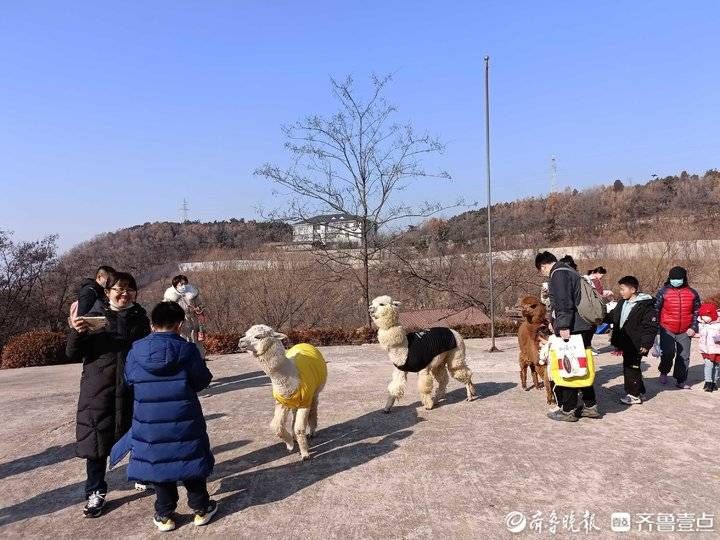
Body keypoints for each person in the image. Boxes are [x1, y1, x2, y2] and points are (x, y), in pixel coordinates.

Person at [110, 301, 217, 532]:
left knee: (160, 464)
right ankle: (201, 509)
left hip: (148, 422)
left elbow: (129, 380)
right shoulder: (186, 350)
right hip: (184, 419)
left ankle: (165, 515)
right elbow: (202, 380)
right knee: (190, 459)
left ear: (151, 324)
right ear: (179, 325)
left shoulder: (135, 350)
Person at [66, 272, 150, 518]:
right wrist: (76, 331)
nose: (124, 294)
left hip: (131, 387)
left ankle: (142, 474)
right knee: (96, 442)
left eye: (130, 290)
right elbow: (72, 353)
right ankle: (95, 491)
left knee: (139, 433)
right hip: (98, 390)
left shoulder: (141, 318)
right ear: (107, 292)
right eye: (119, 290)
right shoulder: (92, 316)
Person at [535, 251, 600, 422]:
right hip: (582, 325)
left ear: (543, 265)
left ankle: (569, 410)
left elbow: (563, 302)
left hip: (572, 327)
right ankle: (590, 405)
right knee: (582, 365)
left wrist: (562, 325)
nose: (543, 274)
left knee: (568, 366)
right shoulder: (570, 271)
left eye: (541, 271)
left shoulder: (558, 273)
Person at [606, 276, 658, 405]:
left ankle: (634, 395)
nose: (621, 292)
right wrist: (598, 318)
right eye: (620, 289)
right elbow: (613, 316)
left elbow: (650, 327)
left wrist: (646, 344)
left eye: (623, 289)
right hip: (626, 342)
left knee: (631, 368)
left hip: (637, 343)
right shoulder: (622, 303)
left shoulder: (645, 306)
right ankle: (640, 391)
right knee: (630, 367)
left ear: (633, 289)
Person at [655, 266, 700, 389]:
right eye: (673, 278)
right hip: (667, 328)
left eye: (678, 278)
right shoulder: (663, 292)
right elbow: (655, 309)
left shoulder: (692, 293)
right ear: (669, 278)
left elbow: (697, 311)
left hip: (686, 330)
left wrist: (694, 327)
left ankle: (681, 380)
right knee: (668, 353)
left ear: (683, 278)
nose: (676, 281)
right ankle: (664, 371)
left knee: (684, 356)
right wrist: (656, 326)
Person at [163, 275, 206, 358]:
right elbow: (165, 311)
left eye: (185, 283)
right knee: (181, 342)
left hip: (193, 322)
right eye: (181, 284)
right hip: (179, 324)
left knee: (195, 342)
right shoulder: (170, 297)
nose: (183, 286)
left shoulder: (193, 293)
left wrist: (198, 308)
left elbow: (202, 305)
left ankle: (199, 360)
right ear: (175, 285)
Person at [695, 303, 720, 392]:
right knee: (708, 365)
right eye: (703, 316)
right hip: (706, 349)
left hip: (716, 349)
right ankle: (708, 382)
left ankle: (714, 382)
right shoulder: (701, 324)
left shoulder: (718, 324)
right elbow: (702, 334)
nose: (705, 319)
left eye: (707, 316)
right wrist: (695, 334)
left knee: (717, 366)